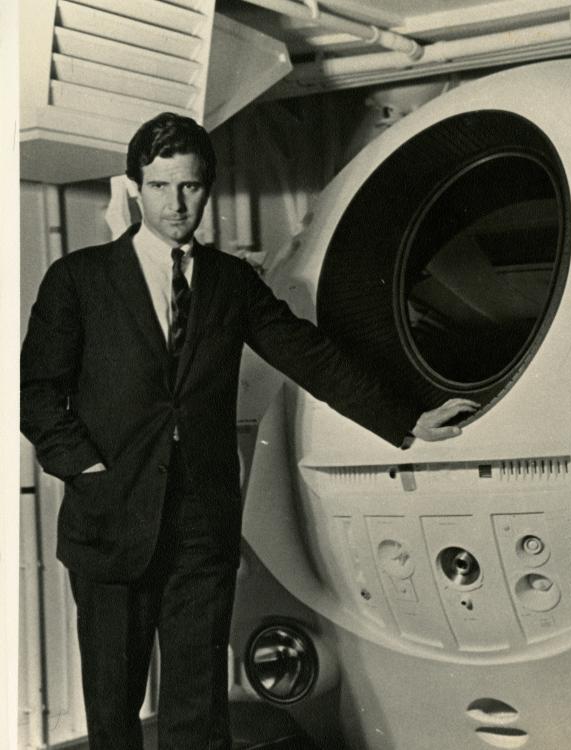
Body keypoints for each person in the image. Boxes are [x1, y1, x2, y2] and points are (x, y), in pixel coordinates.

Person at [20, 112, 477, 750]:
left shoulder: (231, 282)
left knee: (198, 708)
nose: (177, 204)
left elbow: (308, 355)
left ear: (207, 187)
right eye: (160, 187)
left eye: (190, 186)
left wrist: (405, 420)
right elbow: (38, 395)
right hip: (110, 520)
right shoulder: (79, 279)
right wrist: (89, 470)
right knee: (113, 710)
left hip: (199, 525)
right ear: (135, 188)